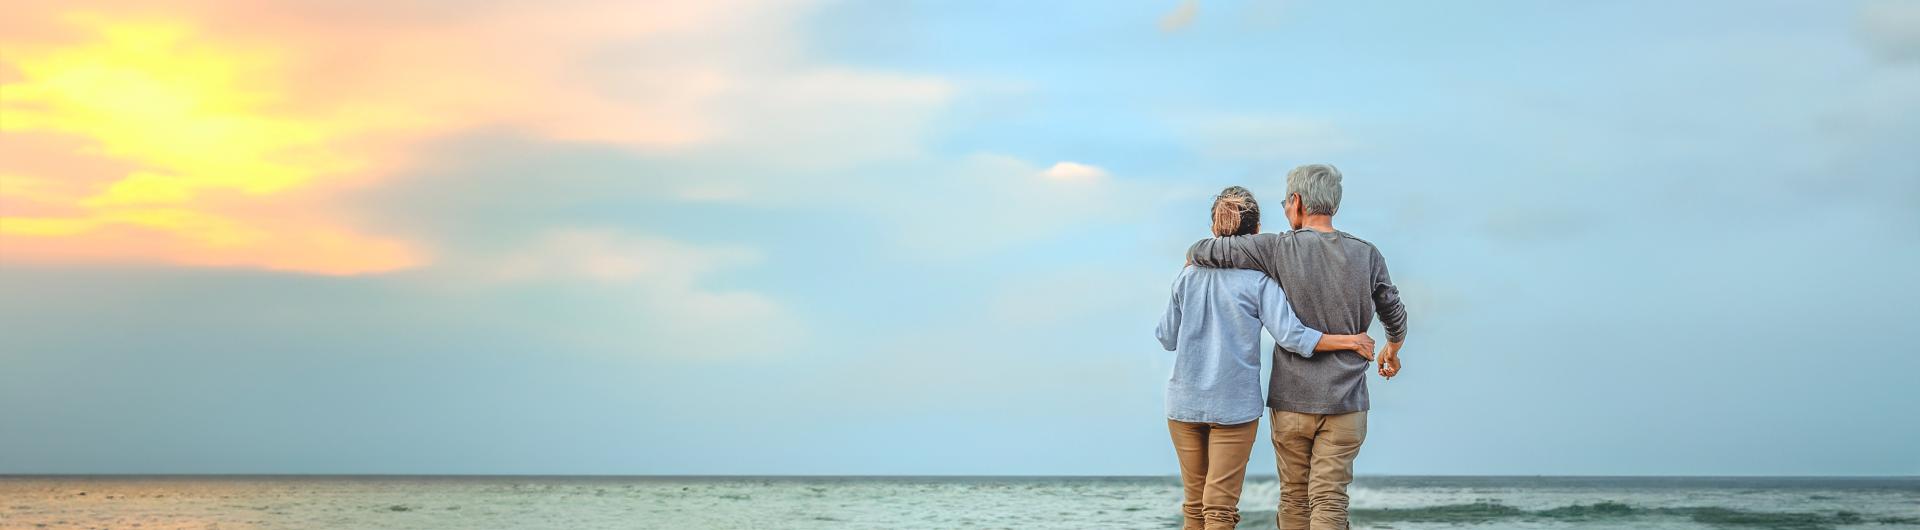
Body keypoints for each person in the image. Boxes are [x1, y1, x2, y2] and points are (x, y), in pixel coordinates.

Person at [1186, 164, 1409, 530]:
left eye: (1286, 203)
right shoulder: (1367, 254)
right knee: (1330, 498)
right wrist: (1392, 350)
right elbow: (1394, 312)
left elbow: (1205, 250)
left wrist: (1194, 255)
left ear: (1297, 201)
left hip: (1291, 401)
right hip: (1346, 402)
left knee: (1294, 496)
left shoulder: (1275, 249)